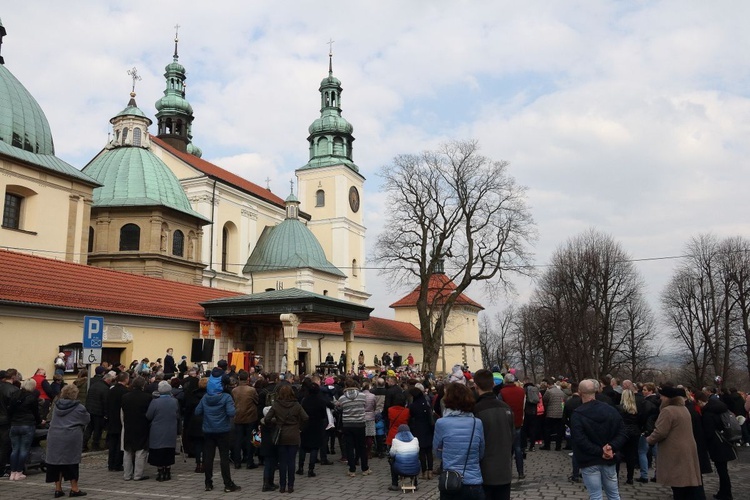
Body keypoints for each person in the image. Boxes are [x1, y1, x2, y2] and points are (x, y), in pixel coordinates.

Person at [570, 379, 627, 500]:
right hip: (609, 458)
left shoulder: (577, 414)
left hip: (590, 459)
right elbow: (622, 432)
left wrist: (601, 451)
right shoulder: (611, 410)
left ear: (579, 392)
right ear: (596, 391)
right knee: (614, 495)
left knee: (595, 496)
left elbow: (579, 439)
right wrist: (611, 447)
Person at [645, 386, 703, 500]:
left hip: (675, 451)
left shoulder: (668, 410)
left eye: (662, 396)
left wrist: (649, 439)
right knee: (685, 484)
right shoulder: (683, 408)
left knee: (678, 484)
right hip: (687, 449)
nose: (660, 398)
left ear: (667, 397)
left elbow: (660, 432)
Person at [433, 382, 485, 500]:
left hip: (450, 482)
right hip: (473, 482)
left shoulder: (441, 423)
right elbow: (481, 453)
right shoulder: (477, 423)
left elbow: (437, 452)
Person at [195, 371, 241, 493]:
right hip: (223, 430)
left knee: (208, 457)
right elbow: (231, 413)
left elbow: (197, 412)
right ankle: (227, 483)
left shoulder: (205, 397)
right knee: (224, 458)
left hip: (208, 430)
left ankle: (208, 483)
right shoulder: (226, 397)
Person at [473, 369, 513, 500]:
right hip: (504, 469)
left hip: (484, 472)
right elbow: (513, 437)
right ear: (493, 384)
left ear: (476, 386)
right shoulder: (506, 408)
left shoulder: (475, 410)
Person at [46, 384, 90, 497]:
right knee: (71, 462)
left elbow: (50, 418)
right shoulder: (79, 408)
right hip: (71, 437)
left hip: (54, 435)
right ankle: (74, 488)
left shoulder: (56, 406)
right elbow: (86, 419)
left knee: (56, 463)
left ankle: (58, 488)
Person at [264, 384, 308, 493]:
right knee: (291, 461)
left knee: (282, 461)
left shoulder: (276, 405)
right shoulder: (296, 405)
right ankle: (291, 485)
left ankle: (282, 486)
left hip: (281, 434)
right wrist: (299, 427)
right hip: (293, 433)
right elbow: (305, 417)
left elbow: (267, 419)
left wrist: (275, 423)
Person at [696, 390, 737, 500]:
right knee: (723, 470)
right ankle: (725, 491)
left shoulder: (708, 413)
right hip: (725, 441)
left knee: (722, 470)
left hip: (717, 444)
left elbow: (708, 432)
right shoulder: (718, 408)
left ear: (700, 401)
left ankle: (725, 493)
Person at [9, 378, 43, 480]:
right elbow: (35, 413)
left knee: (15, 450)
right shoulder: (32, 398)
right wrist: (39, 422)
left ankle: (12, 473)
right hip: (27, 425)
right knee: (24, 450)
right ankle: (19, 472)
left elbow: (9, 409)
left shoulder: (15, 395)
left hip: (14, 425)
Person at [146, 380, 180, 481]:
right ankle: (168, 471)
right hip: (171, 429)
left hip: (157, 430)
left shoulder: (155, 402)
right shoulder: (174, 401)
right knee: (169, 450)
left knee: (159, 450)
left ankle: (160, 472)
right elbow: (177, 415)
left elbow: (149, 415)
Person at [336, 378, 370, 477]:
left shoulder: (342, 398)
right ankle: (365, 468)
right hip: (360, 423)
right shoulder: (362, 396)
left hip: (347, 424)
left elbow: (339, 407)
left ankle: (352, 469)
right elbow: (365, 406)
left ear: (345, 386)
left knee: (349, 447)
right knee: (362, 447)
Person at [121, 376, 152, 481]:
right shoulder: (147, 397)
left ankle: (127, 474)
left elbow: (122, 412)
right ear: (143, 385)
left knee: (127, 450)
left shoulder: (125, 396)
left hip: (128, 425)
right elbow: (149, 413)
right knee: (140, 451)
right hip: (142, 425)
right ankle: (138, 475)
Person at [299, 381, 329, 477]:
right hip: (317, 425)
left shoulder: (304, 400)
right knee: (314, 447)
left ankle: (300, 467)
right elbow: (324, 415)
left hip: (306, 425)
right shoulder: (320, 401)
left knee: (303, 446)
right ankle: (311, 469)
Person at [499, 374, 526, 480]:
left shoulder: (502, 392)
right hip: (518, 422)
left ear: (505, 381)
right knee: (518, 448)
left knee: (506, 449)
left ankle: (507, 472)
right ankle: (521, 472)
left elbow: (500, 407)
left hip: (506, 423)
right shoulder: (521, 391)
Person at [232, 371, 259, 469]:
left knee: (238, 440)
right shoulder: (251, 390)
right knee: (251, 440)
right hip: (250, 417)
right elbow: (257, 400)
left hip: (238, 416)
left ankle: (237, 462)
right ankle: (249, 461)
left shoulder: (234, 390)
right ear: (248, 378)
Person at [408, 385, 435, 481]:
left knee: (422, 452)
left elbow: (410, 417)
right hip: (428, 428)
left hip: (418, 429)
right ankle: (430, 471)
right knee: (429, 451)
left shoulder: (413, 405)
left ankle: (423, 472)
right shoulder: (426, 403)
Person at [615, 389, 641, 485]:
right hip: (634, 433)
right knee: (631, 455)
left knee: (618, 454)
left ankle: (616, 477)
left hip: (622, 432)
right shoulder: (636, 409)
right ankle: (630, 477)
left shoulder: (618, 408)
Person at [83, 368, 111, 451]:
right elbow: (105, 402)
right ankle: (95, 445)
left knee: (89, 428)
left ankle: (83, 444)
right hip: (99, 412)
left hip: (90, 409)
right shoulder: (105, 389)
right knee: (97, 429)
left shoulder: (94, 385)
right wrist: (106, 414)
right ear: (107, 380)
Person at [105, 371, 129, 472]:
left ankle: (110, 464)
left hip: (111, 419)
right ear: (126, 379)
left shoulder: (111, 390)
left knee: (112, 443)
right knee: (120, 443)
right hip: (120, 420)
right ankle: (117, 464)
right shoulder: (125, 392)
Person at [0, 369, 20, 477]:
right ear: (13, 377)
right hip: (6, 420)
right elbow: (14, 407)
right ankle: (2, 469)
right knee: (5, 445)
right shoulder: (14, 390)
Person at [186, 376, 207, 473]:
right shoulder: (209, 396)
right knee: (207, 444)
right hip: (207, 421)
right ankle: (205, 463)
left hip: (195, 422)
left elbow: (188, 410)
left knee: (198, 444)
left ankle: (198, 463)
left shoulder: (193, 395)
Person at [389, 424, 421, 491]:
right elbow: (417, 451)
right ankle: (415, 484)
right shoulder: (415, 440)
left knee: (392, 461)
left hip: (400, 469)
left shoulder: (395, 441)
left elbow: (392, 454)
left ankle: (394, 484)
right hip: (415, 469)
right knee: (415, 459)